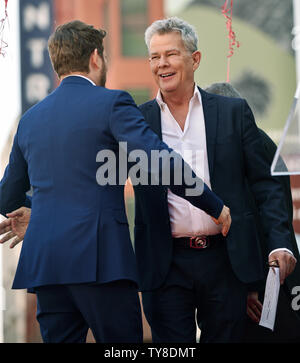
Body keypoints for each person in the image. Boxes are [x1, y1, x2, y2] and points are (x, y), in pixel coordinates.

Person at [0, 20, 231, 343]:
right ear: (96, 57)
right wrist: (213, 205)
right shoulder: (111, 104)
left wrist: (37, 215)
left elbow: (8, 196)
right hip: (100, 263)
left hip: (47, 266)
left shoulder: (30, 120)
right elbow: (158, 161)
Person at [133, 17, 297, 343]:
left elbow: (266, 186)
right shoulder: (137, 121)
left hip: (226, 260)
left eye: (171, 54)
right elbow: (95, 173)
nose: (161, 64)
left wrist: (280, 241)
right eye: (154, 56)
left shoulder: (233, 112)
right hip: (165, 264)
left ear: (195, 59)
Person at [205, 82, 300, 342]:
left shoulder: (243, 149)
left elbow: (257, 223)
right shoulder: (263, 142)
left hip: (263, 288)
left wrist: (250, 288)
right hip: (280, 281)